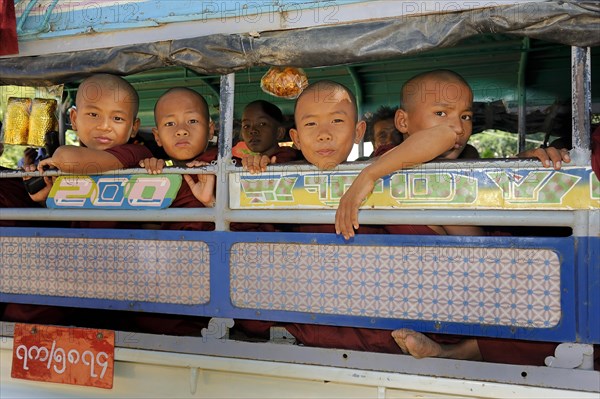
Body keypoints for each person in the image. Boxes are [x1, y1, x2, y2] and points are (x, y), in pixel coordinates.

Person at [2, 73, 152, 325]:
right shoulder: (68, 170)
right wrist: (43, 201)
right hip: (76, 268)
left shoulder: (134, 153)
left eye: (117, 118)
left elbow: (73, 160)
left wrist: (57, 158)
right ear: (73, 119)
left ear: (133, 127)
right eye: (93, 114)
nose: (105, 126)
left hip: (124, 274)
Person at [139, 87, 217, 231]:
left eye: (192, 121)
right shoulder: (158, 176)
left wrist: (212, 203)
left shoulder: (227, 167)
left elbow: (249, 231)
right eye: (170, 124)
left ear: (210, 130)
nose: (181, 130)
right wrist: (149, 173)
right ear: (157, 136)